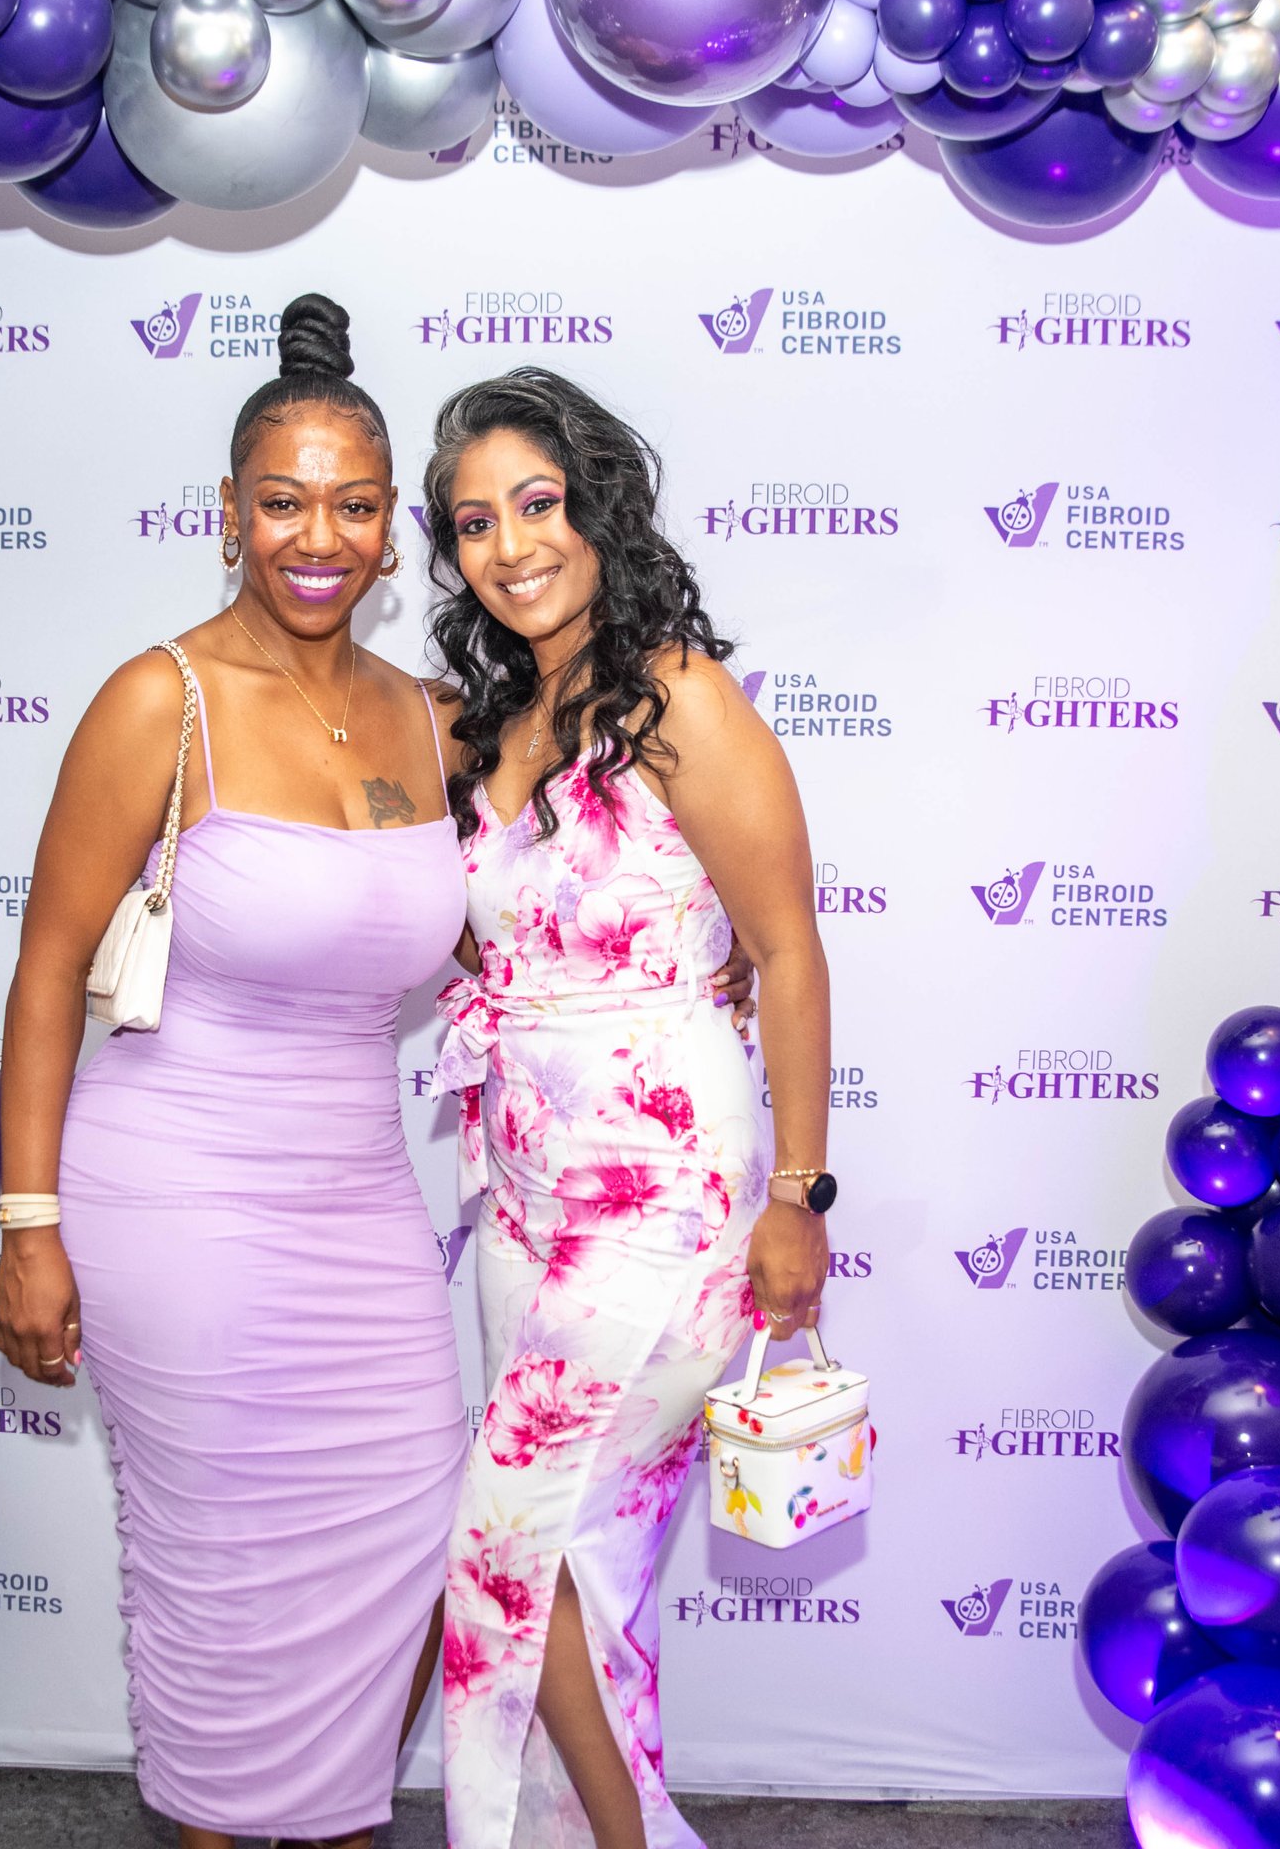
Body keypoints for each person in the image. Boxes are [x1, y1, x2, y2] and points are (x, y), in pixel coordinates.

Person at [0, 295, 467, 1849]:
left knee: (410, 1551)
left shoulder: (427, 718)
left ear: (392, 528)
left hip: (359, 1207)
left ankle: (328, 1824)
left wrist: (692, 948)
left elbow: (509, 920)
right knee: (228, 1592)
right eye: (282, 502)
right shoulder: (163, 700)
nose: (315, 535)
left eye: (350, 504)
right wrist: (32, 1222)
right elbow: (49, 968)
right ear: (228, 516)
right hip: (176, 1207)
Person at [424, 368, 836, 1849]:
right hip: (522, 1195)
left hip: (669, 1199)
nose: (510, 544)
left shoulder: (681, 699)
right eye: (474, 523)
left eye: (537, 504)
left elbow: (785, 949)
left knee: (499, 1561)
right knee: (581, 1567)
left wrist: (801, 1194)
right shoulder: (488, 725)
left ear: (598, 513)